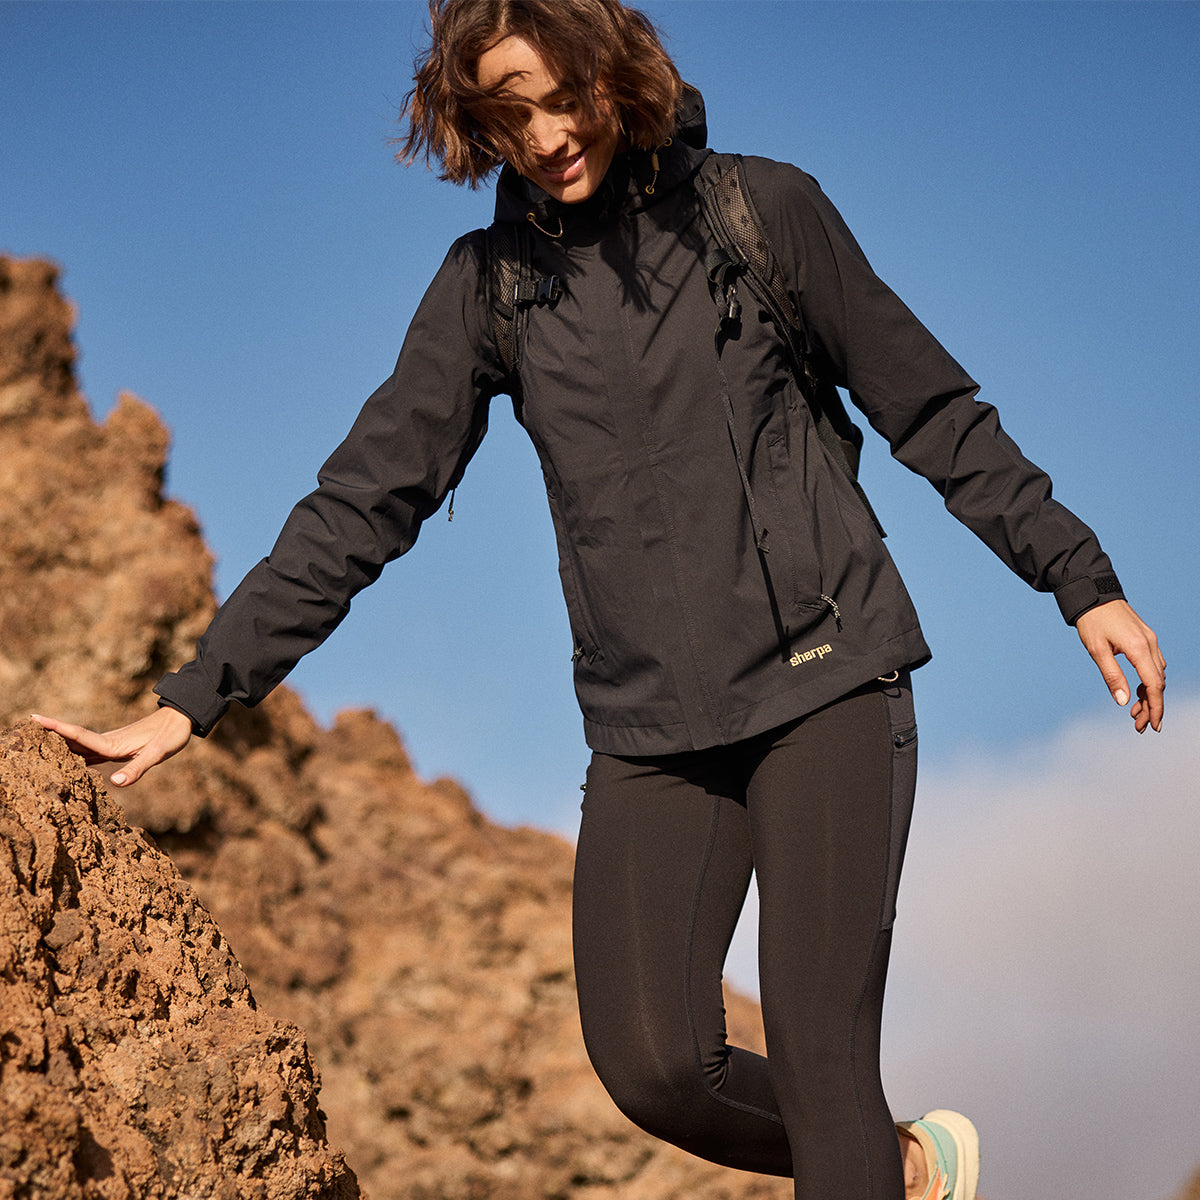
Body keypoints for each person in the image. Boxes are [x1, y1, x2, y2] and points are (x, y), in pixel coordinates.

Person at [35, 2, 1166, 1198]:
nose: (545, 137)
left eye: (560, 98)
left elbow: (929, 409)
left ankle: (857, 1153)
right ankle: (899, 1167)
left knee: (822, 1062)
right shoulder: (491, 288)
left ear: (612, 71)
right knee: (654, 1067)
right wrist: (193, 698)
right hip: (651, 730)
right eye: (507, 116)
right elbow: (362, 502)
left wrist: (1078, 580)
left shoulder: (760, 209)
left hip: (824, 682)